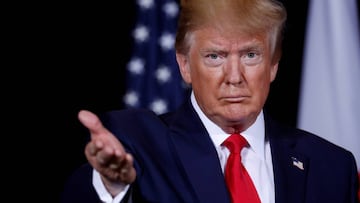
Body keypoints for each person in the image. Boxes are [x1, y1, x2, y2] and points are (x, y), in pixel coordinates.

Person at [61, 0, 360, 202]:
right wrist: (112, 186)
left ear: (274, 65)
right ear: (184, 65)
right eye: (215, 56)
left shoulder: (332, 166)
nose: (234, 77)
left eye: (250, 55)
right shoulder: (139, 146)